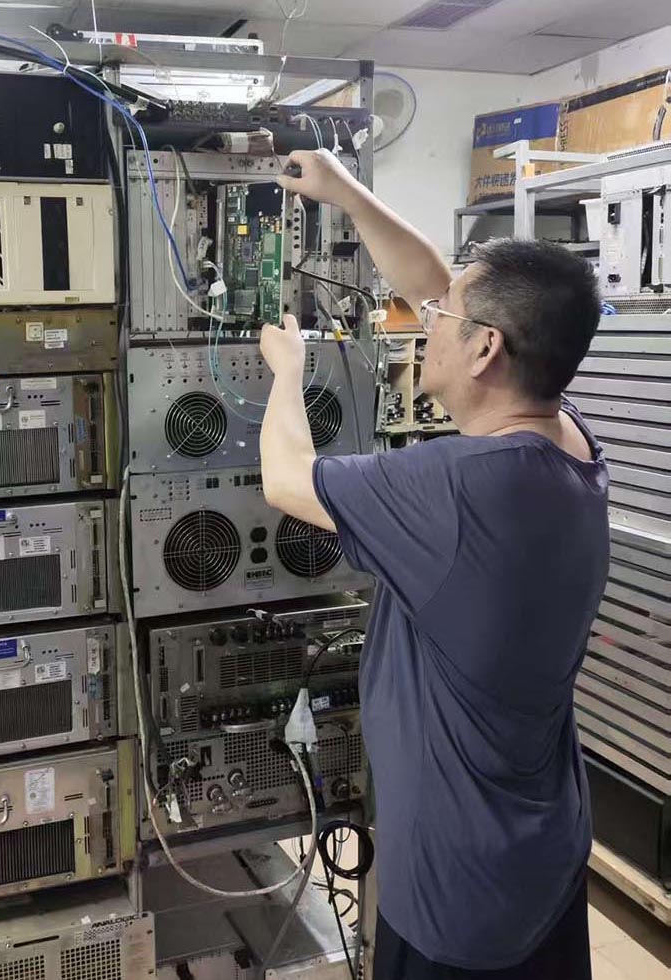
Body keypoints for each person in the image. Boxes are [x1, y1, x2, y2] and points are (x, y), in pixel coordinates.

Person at [261, 148, 609, 980]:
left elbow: (286, 479)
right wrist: (345, 192)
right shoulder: (566, 441)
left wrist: (287, 372)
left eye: (439, 317)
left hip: (458, 895)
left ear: (485, 348)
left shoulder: (457, 486)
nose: (423, 321)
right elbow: (436, 285)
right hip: (543, 853)